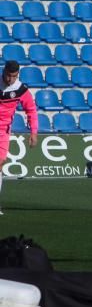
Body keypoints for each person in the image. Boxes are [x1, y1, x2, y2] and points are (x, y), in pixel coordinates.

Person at [0, 61, 37, 215]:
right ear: (4, 72)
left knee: (0, 163)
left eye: (14, 76)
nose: (10, 79)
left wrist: (33, 132)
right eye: (8, 76)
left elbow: (31, 110)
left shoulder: (21, 89)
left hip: (3, 130)